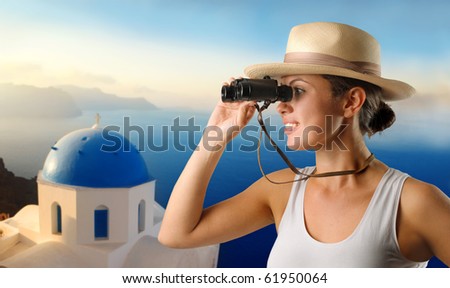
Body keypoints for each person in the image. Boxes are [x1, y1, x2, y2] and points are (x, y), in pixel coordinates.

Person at [158, 22, 450, 267]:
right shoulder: (281, 189)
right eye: (281, 92)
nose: (281, 107)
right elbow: (177, 234)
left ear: (351, 101)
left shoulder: (413, 202)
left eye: (297, 90)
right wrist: (214, 137)